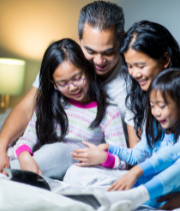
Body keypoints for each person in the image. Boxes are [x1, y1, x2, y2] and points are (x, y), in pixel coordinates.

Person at [0, 1, 127, 175]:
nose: (98, 61)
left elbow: (129, 156)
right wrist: (12, 150)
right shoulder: (60, 69)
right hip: (38, 153)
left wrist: (104, 157)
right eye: (90, 51)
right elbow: (27, 119)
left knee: (56, 151)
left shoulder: (123, 93)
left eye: (107, 52)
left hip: (72, 160)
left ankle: (12, 175)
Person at [95, 68, 180, 210]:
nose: (156, 112)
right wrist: (109, 148)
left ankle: (136, 195)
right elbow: (137, 155)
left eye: (162, 106)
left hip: (165, 195)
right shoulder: (155, 127)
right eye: (152, 106)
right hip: (152, 194)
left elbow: (168, 155)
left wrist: (137, 171)